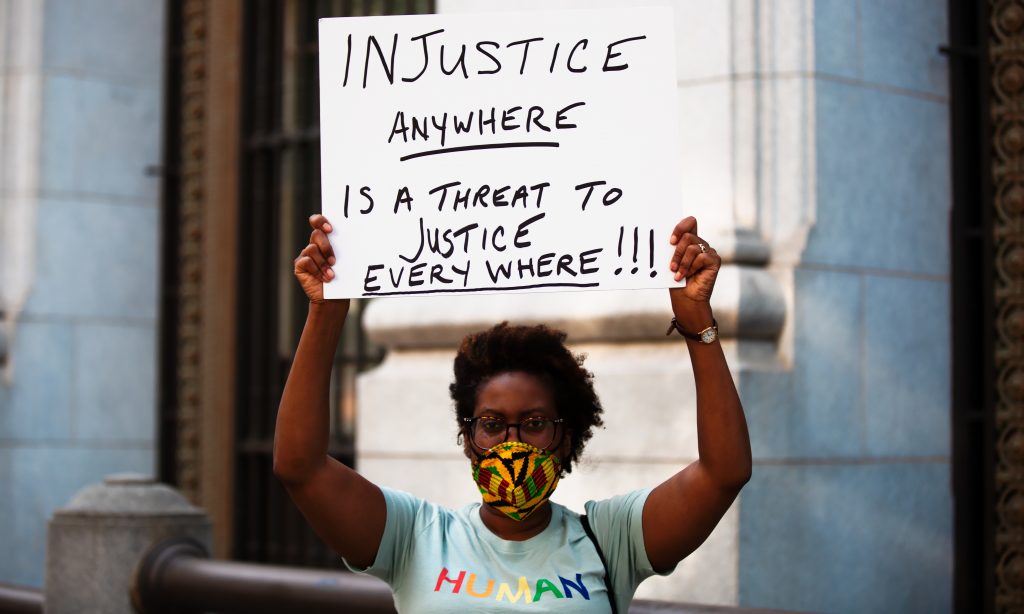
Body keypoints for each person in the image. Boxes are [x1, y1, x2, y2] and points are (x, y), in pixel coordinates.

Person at [274, 214, 751, 613]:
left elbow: (723, 473)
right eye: (492, 424)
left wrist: (697, 323)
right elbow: (300, 466)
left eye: (536, 423)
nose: (513, 440)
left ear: (567, 438)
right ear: (468, 438)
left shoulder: (611, 540)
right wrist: (327, 314)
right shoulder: (415, 536)